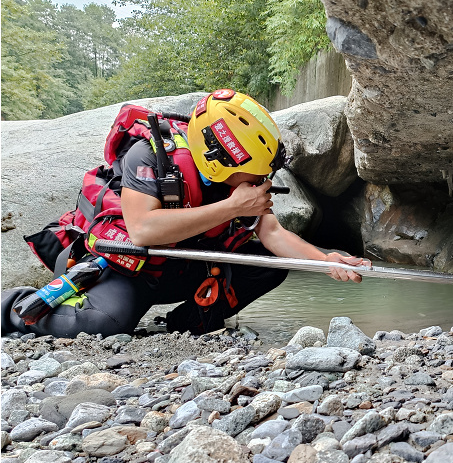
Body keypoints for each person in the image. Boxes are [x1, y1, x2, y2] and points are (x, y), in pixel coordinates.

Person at [1, 90, 369, 338]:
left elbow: (273, 234)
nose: (261, 180)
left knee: (266, 262)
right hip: (125, 269)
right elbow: (143, 230)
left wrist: (325, 260)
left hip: (182, 266)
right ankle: (11, 306)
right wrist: (231, 207)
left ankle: (184, 326)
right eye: (255, 172)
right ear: (220, 157)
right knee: (108, 321)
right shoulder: (148, 157)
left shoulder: (242, 180)